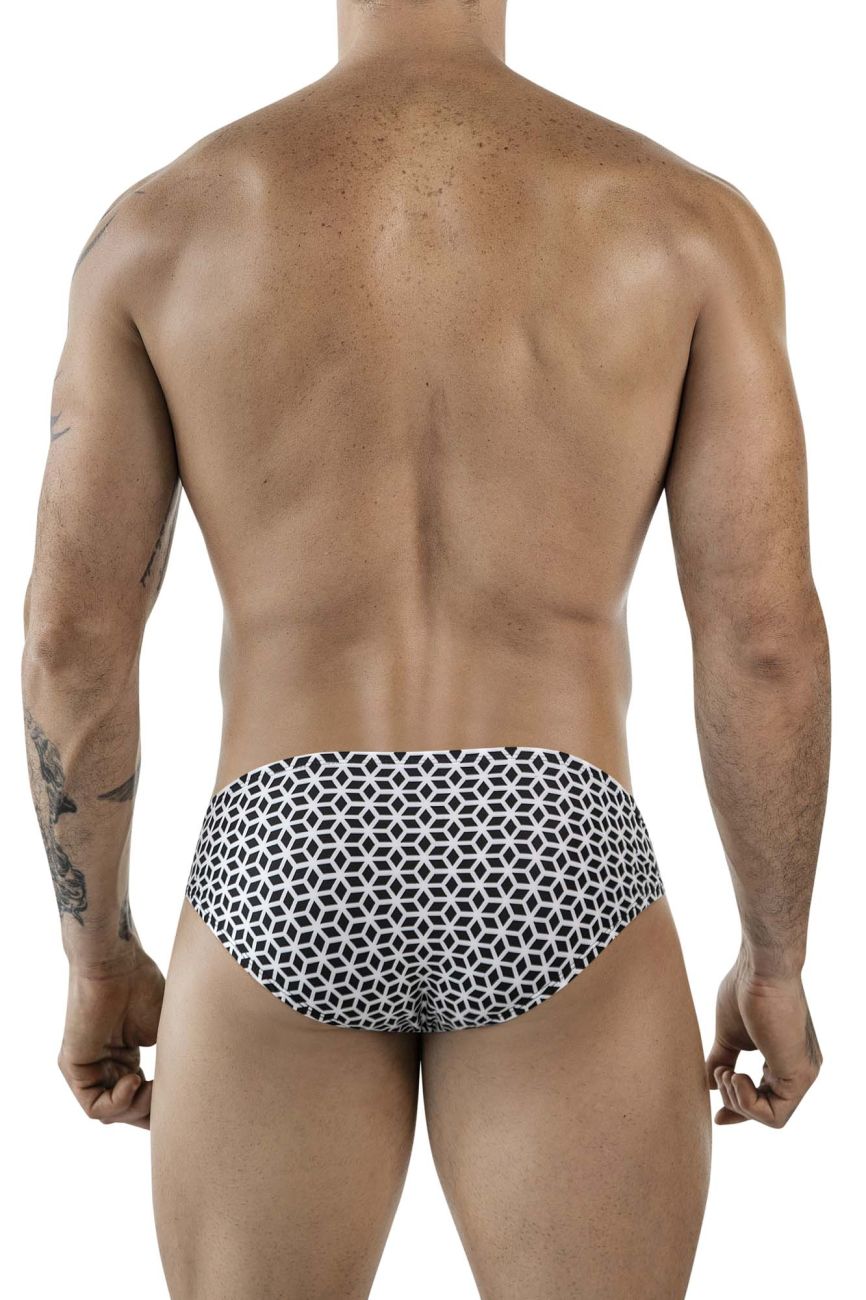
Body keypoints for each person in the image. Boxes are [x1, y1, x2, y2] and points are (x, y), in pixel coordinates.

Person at [22, 1, 830, 1296]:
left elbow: (72, 639)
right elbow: (763, 640)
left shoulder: (162, 229)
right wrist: (774, 961)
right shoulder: (682, 222)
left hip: (284, 850)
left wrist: (96, 956)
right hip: (554, 842)